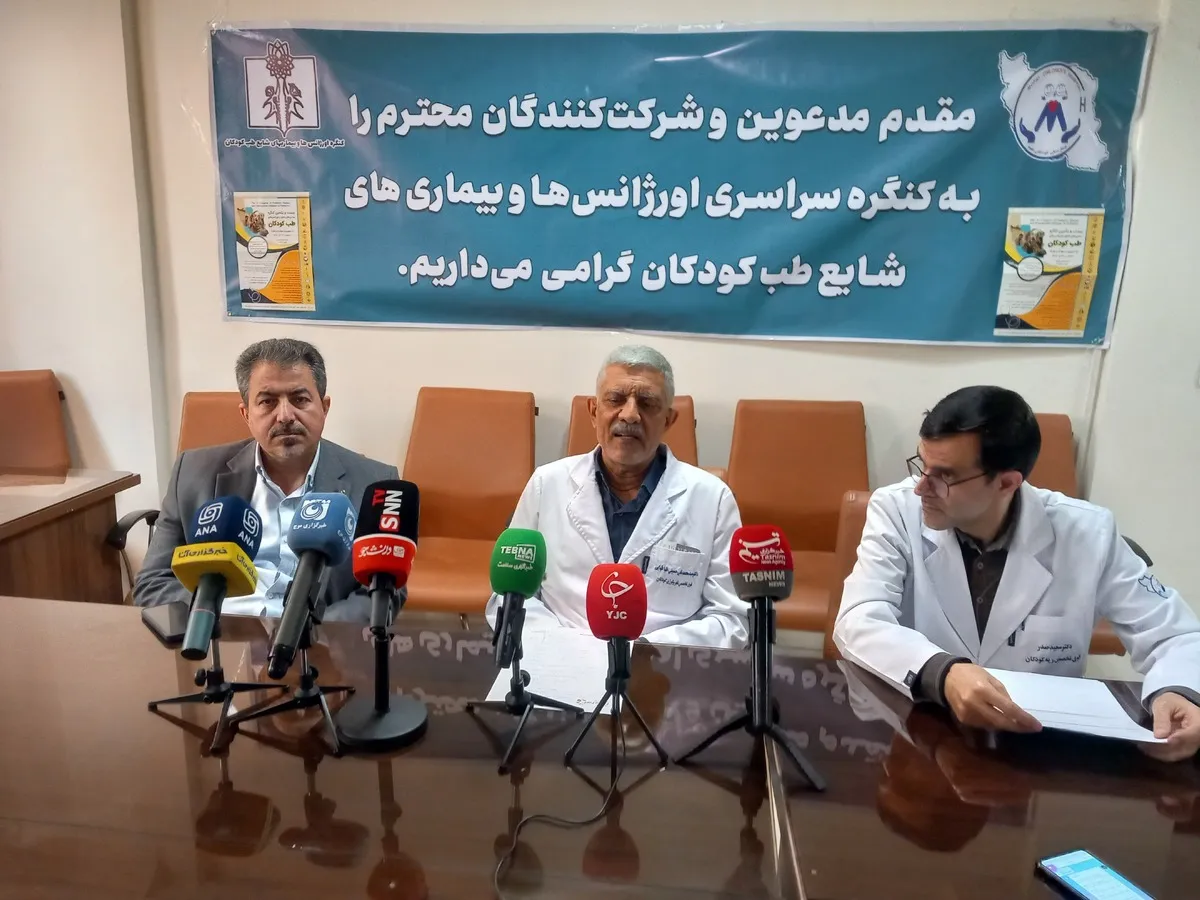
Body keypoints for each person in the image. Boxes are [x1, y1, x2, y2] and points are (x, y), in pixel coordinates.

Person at [835, 386, 1200, 762]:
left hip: (1039, 751)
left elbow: (1178, 636)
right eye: (921, 465)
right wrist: (943, 673)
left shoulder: (1089, 534)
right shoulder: (895, 511)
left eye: (944, 476)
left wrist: (1179, 690)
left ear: (1007, 482)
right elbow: (858, 619)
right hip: (925, 734)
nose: (921, 488)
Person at [486, 345, 747, 648]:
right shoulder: (547, 484)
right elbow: (510, 597)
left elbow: (731, 619)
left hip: (664, 665)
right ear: (593, 411)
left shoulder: (713, 500)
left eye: (647, 403)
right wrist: (565, 647)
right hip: (558, 658)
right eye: (616, 399)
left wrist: (644, 652)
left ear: (668, 420)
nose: (630, 414)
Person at [135, 339, 398, 622]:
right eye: (268, 402)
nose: (285, 416)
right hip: (217, 633)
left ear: (324, 407)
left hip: (317, 638)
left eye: (300, 399)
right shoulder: (192, 472)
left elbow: (383, 593)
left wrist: (312, 633)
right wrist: (210, 614)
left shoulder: (376, 484)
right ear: (246, 414)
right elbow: (153, 581)